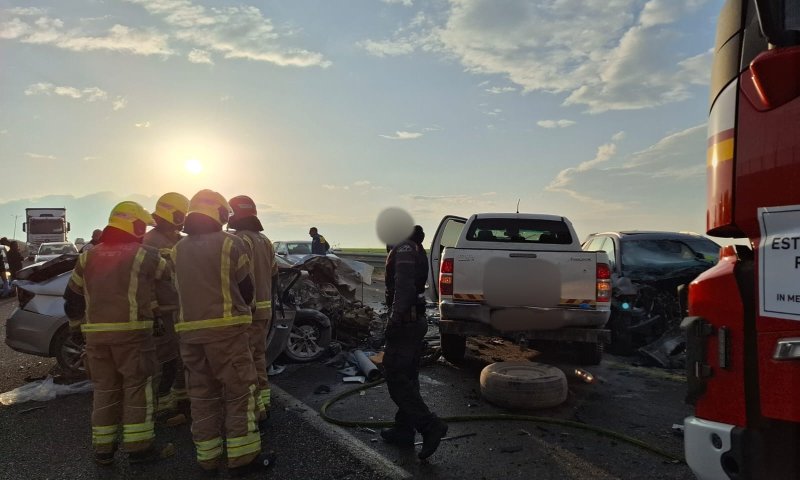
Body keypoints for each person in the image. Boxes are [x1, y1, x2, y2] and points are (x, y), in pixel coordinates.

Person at [62, 202, 174, 466]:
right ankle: (139, 449)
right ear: (133, 224)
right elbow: (169, 273)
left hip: (97, 339)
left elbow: (71, 297)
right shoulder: (143, 254)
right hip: (133, 335)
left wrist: (78, 327)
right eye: (141, 226)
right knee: (137, 389)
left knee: (104, 390)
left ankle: (103, 450)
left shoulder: (88, 256)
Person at [172, 189, 272, 476]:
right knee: (239, 392)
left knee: (202, 397)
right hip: (227, 333)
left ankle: (208, 458)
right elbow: (246, 288)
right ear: (218, 212)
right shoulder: (230, 244)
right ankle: (242, 458)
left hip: (190, 335)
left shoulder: (178, 249)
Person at [382, 225, 448, 460]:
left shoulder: (404, 249)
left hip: (406, 324)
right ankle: (403, 430)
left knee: (396, 377)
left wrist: (394, 320)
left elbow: (404, 287)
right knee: (409, 377)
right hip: (413, 322)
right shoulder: (412, 247)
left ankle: (430, 426)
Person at [228, 195, 277, 427]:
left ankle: (254, 407)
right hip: (264, 309)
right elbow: (274, 272)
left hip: (248, 310)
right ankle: (264, 402)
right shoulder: (265, 240)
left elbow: (238, 277)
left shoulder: (239, 240)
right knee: (258, 357)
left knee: (245, 361)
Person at [142, 192, 189, 420]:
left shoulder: (177, 239)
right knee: (165, 361)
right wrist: (155, 313)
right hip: (164, 311)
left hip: (179, 310)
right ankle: (158, 408)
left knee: (181, 359)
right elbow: (147, 281)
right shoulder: (151, 242)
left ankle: (180, 402)